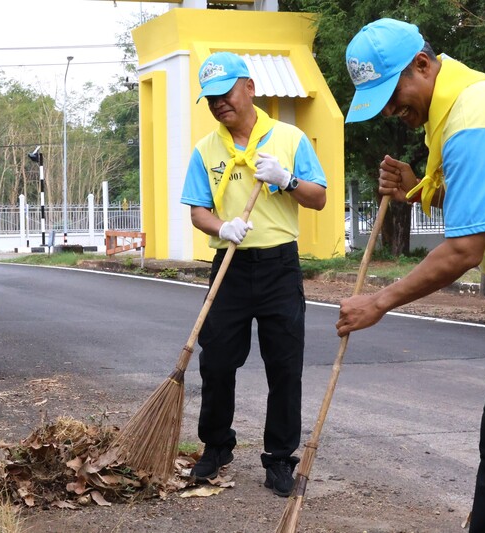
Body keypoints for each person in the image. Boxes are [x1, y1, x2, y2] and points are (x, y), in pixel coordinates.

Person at [338, 18, 485, 531]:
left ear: (422, 65)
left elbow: (463, 250)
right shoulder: (458, 103)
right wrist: (416, 187)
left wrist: (377, 303)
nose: (390, 109)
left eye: (393, 93)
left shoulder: (473, 118)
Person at [180, 51, 327, 497]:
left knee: (284, 365)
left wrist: (286, 179)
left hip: (279, 264)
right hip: (230, 265)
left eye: (225, 93)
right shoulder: (206, 150)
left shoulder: (289, 137)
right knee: (218, 360)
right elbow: (198, 211)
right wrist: (222, 227)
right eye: (210, 99)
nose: (218, 104)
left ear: (249, 87)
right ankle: (217, 446)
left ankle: (279, 458)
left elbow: (318, 197)